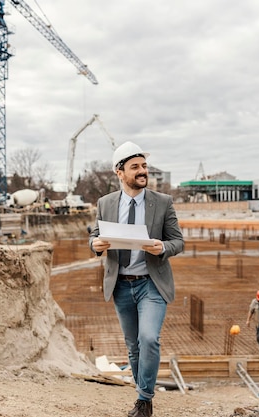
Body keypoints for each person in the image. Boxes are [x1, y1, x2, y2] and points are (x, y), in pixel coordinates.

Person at [89, 141, 184, 417]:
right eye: (136, 167)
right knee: (133, 347)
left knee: (149, 339)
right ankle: (143, 394)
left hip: (151, 283)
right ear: (120, 172)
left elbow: (178, 242)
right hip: (121, 284)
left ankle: (144, 399)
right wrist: (94, 244)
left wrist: (163, 248)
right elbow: (94, 235)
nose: (143, 171)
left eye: (145, 166)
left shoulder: (162, 202)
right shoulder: (105, 203)